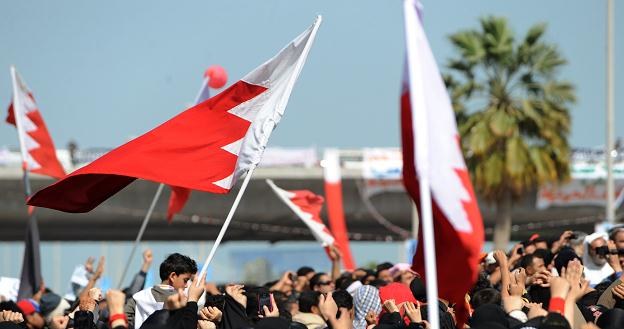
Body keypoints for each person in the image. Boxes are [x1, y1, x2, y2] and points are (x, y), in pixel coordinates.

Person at [124, 253, 197, 329]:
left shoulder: (138, 297)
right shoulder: (184, 303)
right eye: (185, 280)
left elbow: (124, 320)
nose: (186, 285)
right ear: (173, 276)